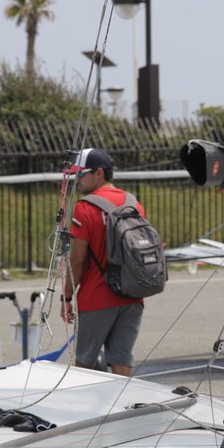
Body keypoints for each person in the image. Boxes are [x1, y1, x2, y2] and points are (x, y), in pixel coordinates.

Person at [62, 147, 146, 376]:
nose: (77, 180)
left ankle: (82, 402)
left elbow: (77, 261)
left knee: (84, 366)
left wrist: (66, 297)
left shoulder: (85, 207)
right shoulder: (133, 202)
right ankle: (123, 400)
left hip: (97, 297)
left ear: (99, 173)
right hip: (132, 297)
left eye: (81, 174)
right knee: (121, 362)